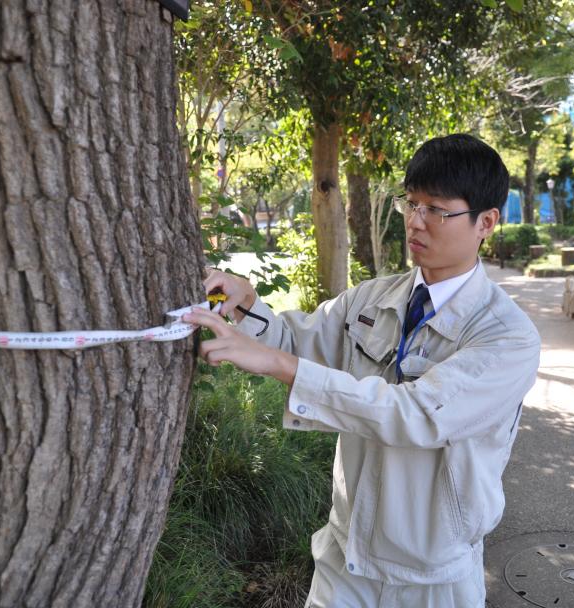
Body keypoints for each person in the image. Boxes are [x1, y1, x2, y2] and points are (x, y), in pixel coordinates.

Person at [184, 133, 541, 607]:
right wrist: (247, 302)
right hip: (345, 557)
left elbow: (417, 415)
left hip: (432, 577)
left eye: (437, 210)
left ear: (486, 222)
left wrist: (281, 366)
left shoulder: (507, 337)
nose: (416, 222)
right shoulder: (373, 299)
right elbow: (297, 341)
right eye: (411, 204)